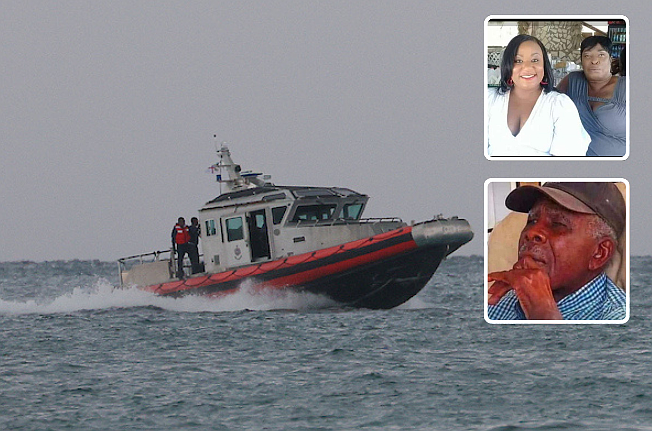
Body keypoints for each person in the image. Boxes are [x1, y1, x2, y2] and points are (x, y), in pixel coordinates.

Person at [487, 182, 626, 321]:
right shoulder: (508, 297)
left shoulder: (618, 319)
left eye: (558, 224)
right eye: (532, 220)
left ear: (599, 253)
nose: (531, 232)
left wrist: (542, 314)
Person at [487, 34, 590, 156]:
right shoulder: (489, 100)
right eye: (518, 61)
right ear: (508, 66)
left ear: (544, 65)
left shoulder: (560, 105)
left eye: (535, 60)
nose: (527, 67)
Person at [557, 36, 626, 156]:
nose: (594, 61)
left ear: (610, 59)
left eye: (601, 55)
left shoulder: (628, 87)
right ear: (581, 60)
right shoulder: (572, 80)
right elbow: (549, 106)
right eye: (587, 56)